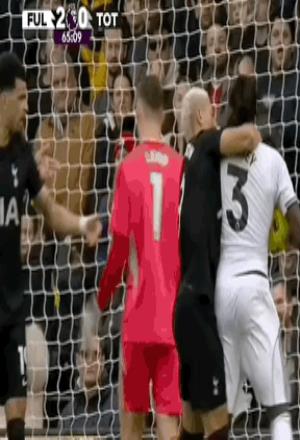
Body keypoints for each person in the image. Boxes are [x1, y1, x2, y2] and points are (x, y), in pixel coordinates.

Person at [0, 52, 102, 440]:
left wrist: (81, 223)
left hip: (13, 307)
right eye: (22, 98)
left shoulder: (24, 156)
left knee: (18, 411)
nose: (29, 106)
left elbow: (50, 211)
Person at [214, 75, 300, 439]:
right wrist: (280, 236)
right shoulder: (272, 160)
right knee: (277, 407)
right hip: (254, 283)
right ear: (258, 112)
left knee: (223, 411)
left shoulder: (215, 157)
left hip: (222, 287)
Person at [97, 75, 183, 440]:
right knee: (168, 419)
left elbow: (119, 246)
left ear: (136, 108)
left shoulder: (128, 166)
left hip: (137, 313)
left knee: (131, 418)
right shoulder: (180, 165)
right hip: (171, 313)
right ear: (165, 113)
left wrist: (104, 298)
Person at [175, 86, 261, 440]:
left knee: (191, 425)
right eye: (212, 112)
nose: (216, 117)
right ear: (201, 117)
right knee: (217, 425)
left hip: (186, 306)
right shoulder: (207, 143)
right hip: (198, 305)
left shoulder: (189, 162)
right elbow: (249, 139)